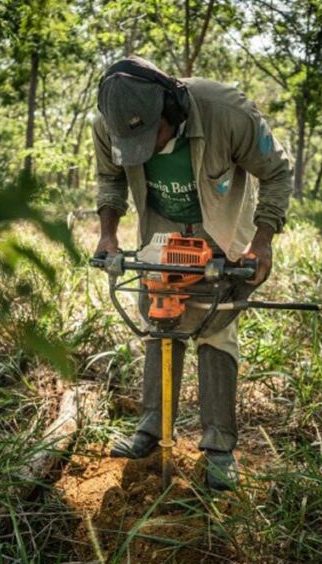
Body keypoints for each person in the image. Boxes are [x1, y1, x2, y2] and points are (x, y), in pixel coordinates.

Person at [92, 56, 292, 490]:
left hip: (222, 224)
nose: (143, 147)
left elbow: (277, 173)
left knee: (215, 327)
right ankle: (150, 427)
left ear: (173, 108)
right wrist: (108, 235)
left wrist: (262, 244)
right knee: (160, 318)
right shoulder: (109, 122)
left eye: (152, 135)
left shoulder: (227, 112)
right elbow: (110, 178)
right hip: (161, 226)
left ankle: (219, 445)